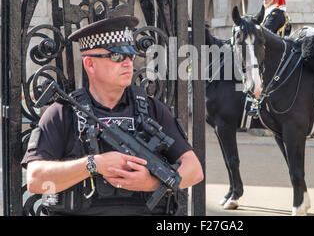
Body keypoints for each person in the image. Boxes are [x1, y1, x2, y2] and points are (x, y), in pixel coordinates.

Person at [21, 15, 204, 216]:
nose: (127, 63)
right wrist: (94, 164)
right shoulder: (63, 112)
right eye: (117, 56)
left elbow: (194, 170)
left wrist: (151, 183)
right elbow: (35, 180)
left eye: (130, 56)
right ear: (90, 64)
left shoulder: (152, 109)